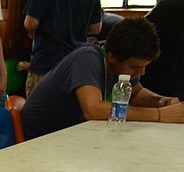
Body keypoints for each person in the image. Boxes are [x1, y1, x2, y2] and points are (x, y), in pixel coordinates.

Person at [20, 17, 184, 140]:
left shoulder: (116, 58)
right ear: (112, 57)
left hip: (72, 134)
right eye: (135, 67)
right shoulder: (87, 58)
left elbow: (136, 93)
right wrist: (159, 115)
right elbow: (93, 109)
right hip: (41, 137)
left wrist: (163, 101)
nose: (142, 73)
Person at [23, 0, 102, 99]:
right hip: (75, 67)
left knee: (37, 109)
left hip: (46, 62)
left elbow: (30, 23)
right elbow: (96, 28)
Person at [142, 0, 184, 100]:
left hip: (155, 82)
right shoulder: (170, 7)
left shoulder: (168, 6)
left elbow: (138, 32)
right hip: (166, 84)